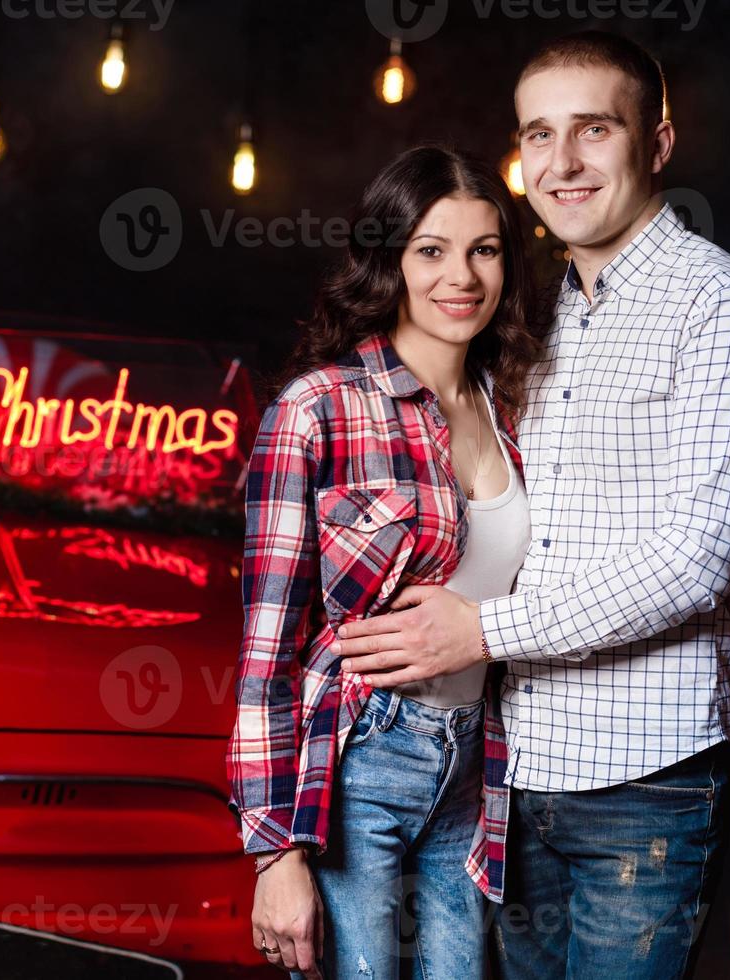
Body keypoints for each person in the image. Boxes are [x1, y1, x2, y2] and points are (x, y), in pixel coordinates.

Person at [335, 31, 730, 978]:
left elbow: (697, 558)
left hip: (647, 779)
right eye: (538, 135)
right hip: (509, 774)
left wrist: (482, 632)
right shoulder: (541, 318)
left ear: (659, 143)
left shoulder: (723, 306)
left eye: (594, 130)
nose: (562, 162)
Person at [226, 144, 542, 979]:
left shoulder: (512, 409)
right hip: (363, 756)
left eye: (484, 249)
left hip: (479, 765)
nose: (461, 276)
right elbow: (267, 652)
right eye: (431, 251)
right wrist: (273, 854)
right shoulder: (319, 409)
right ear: (389, 261)